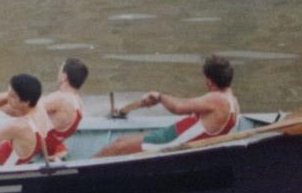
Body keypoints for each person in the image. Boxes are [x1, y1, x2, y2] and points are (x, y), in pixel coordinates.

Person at [95, 55, 239, 157]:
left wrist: (159, 97)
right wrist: (161, 99)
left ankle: (84, 172)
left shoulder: (216, 99)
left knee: (117, 146)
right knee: (122, 141)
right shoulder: (233, 102)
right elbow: (188, 106)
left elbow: (178, 107)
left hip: (174, 141)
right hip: (173, 135)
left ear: (209, 81)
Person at [0, 58, 88, 160]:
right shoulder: (78, 102)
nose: (58, 74)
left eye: (60, 71)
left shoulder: (60, 99)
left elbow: (20, 110)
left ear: (64, 77)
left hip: (31, 145)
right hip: (50, 144)